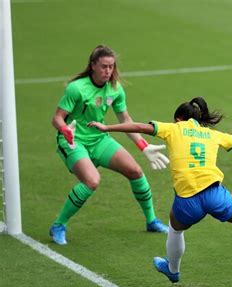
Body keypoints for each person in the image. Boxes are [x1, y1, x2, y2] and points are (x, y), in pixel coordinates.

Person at [88, 97, 232, 283]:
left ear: (179, 119)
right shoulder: (211, 134)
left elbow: (138, 126)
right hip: (216, 195)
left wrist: (107, 127)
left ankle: (173, 270)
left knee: (176, 230)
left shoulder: (173, 128)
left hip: (187, 201)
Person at [50, 45, 170, 245]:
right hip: (74, 142)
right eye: (104, 66)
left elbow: (125, 120)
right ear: (93, 66)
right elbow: (57, 119)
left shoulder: (115, 89)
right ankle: (58, 225)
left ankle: (151, 221)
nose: (108, 71)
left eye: (111, 67)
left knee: (135, 171)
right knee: (92, 181)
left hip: (99, 140)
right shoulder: (77, 88)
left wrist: (143, 145)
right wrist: (65, 130)